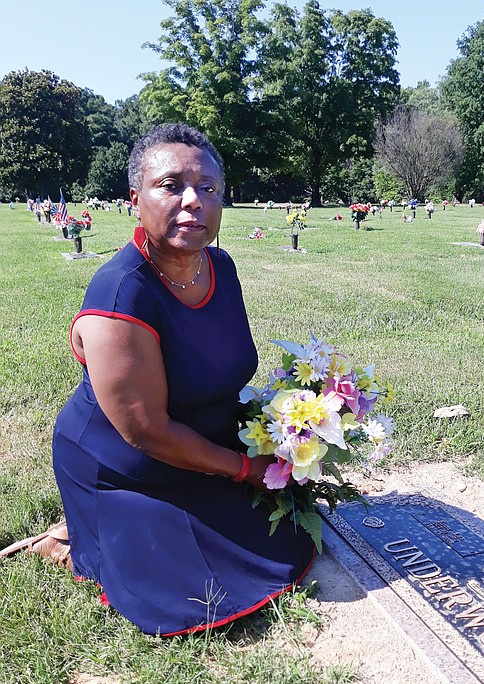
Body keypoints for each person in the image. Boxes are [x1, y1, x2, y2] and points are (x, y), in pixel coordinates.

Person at [10, 123, 315, 636]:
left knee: (287, 531)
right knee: (195, 593)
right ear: (136, 199)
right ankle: (85, 534)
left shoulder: (220, 266)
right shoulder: (120, 294)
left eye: (208, 188)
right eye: (172, 186)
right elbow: (145, 429)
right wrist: (242, 468)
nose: (194, 201)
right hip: (125, 464)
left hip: (201, 445)